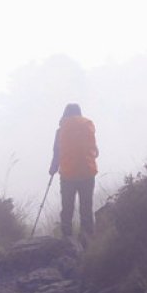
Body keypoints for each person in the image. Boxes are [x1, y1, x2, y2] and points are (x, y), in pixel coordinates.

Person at [48, 103, 98, 240]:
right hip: (87, 173)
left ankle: (67, 238)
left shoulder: (61, 131)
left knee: (67, 207)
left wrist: (53, 169)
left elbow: (57, 153)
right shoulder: (87, 127)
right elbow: (95, 151)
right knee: (86, 207)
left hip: (68, 175)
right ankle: (88, 238)